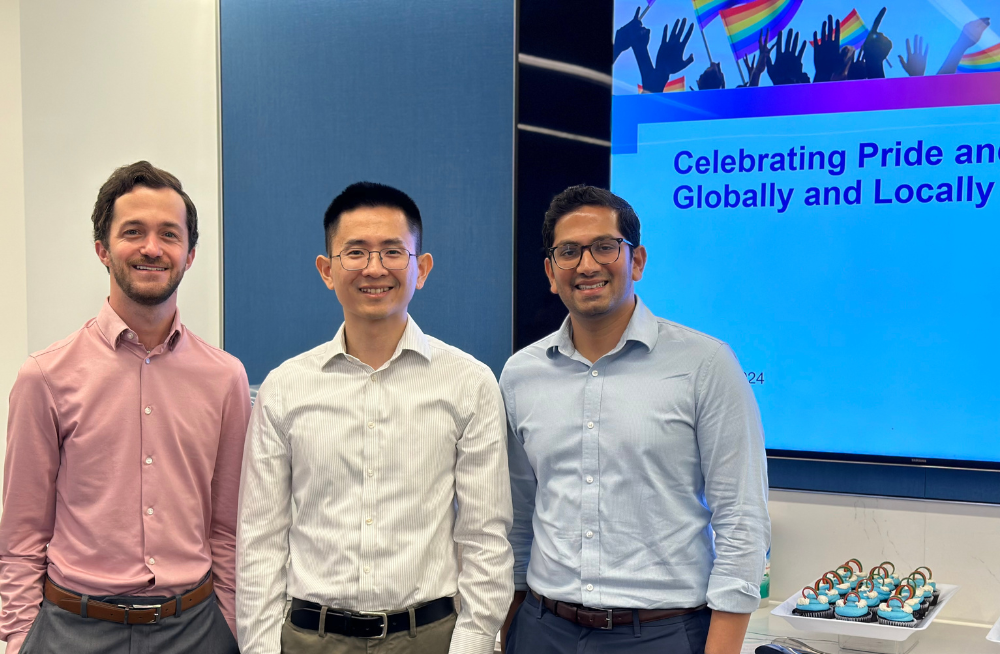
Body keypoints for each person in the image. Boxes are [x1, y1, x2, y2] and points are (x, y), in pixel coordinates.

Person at [236, 182, 513, 654]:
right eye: (355, 252)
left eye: (392, 252)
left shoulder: (470, 383)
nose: (374, 268)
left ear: (420, 268)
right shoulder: (284, 387)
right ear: (327, 270)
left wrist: (469, 645)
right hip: (310, 639)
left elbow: (485, 537)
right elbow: (260, 539)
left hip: (430, 638)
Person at [500, 185, 769, 654]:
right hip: (543, 629)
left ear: (637, 260)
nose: (587, 265)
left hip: (663, 633)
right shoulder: (522, 374)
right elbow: (518, 518)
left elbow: (742, 520)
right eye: (569, 252)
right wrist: (509, 630)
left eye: (605, 247)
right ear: (550, 272)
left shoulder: (705, 364)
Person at [0, 161, 250, 654]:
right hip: (71, 631)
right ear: (103, 249)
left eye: (169, 234)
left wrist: (231, 625)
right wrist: (19, 639)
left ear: (190, 254)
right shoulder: (45, 377)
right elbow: (21, 537)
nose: (152, 248)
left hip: (196, 630)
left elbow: (229, 528)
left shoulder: (226, 379)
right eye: (133, 232)